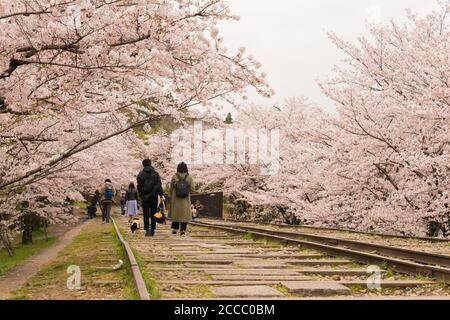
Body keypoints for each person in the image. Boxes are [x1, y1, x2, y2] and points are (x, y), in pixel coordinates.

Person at [137, 159, 163, 237]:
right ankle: (152, 230)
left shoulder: (140, 174)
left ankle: (147, 230)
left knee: (145, 213)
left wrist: (141, 196)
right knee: (153, 213)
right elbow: (159, 185)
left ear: (143, 165)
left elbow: (139, 186)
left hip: (145, 196)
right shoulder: (155, 174)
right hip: (154, 196)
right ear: (150, 164)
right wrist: (161, 195)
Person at [170, 162, 195, 236]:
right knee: (184, 214)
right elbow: (193, 189)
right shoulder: (189, 177)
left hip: (176, 198)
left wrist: (172, 193)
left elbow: (171, 188)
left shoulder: (174, 176)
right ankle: (183, 230)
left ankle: (174, 229)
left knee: (176, 213)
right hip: (185, 198)